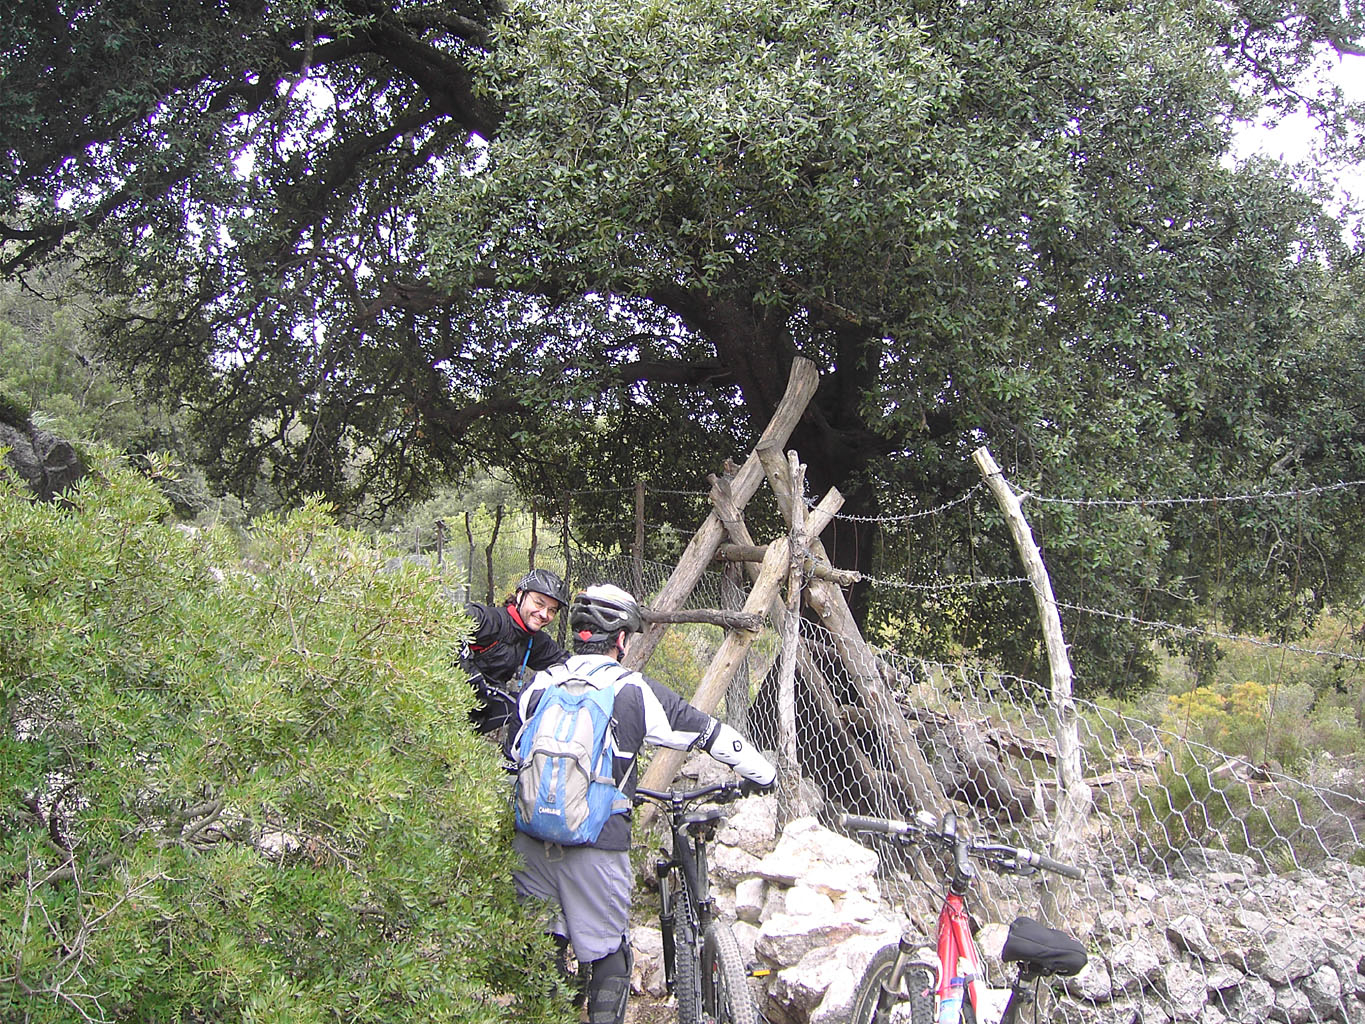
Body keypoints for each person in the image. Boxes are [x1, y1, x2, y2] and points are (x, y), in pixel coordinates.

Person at [510, 583, 776, 1024]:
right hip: (596, 845)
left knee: (543, 949)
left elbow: (514, 753)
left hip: (531, 841)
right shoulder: (631, 690)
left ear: (578, 634)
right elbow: (708, 733)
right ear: (621, 639)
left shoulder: (539, 685)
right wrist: (763, 775)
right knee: (611, 958)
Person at [460, 568, 571, 736]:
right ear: (520, 595)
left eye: (552, 610)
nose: (544, 614)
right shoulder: (491, 620)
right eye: (539, 603)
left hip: (478, 718)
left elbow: (568, 664)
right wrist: (471, 675)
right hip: (443, 706)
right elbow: (446, 624)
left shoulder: (534, 641)